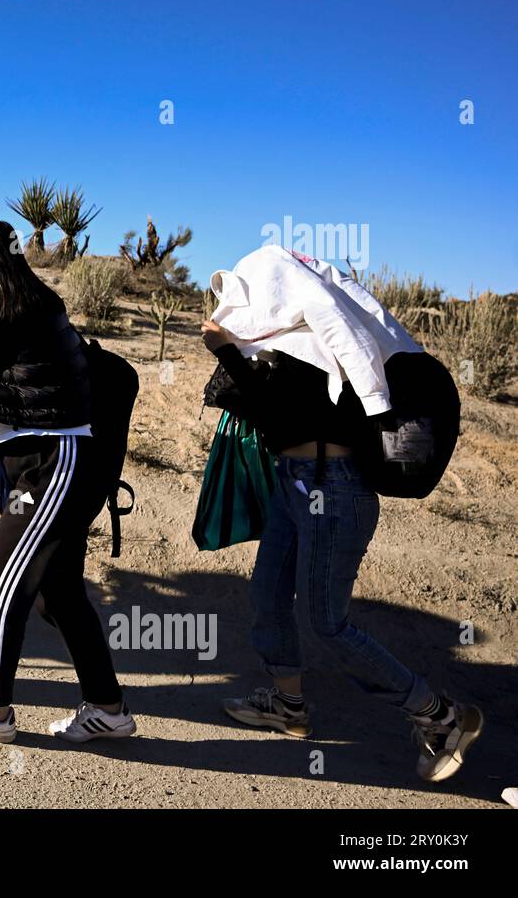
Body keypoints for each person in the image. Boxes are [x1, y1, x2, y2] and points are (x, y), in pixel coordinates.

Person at [201, 318, 484, 782]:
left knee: (326, 622)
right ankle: (288, 706)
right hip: (293, 483)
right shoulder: (294, 346)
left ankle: (442, 716)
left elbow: (279, 414)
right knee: (267, 598)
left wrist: (227, 352)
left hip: (332, 491)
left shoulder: (331, 349)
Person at [0, 217, 136, 744]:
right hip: (42, 461)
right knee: (59, 592)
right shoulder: (24, 304)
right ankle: (108, 709)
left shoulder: (16, 308)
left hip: (51, 462)